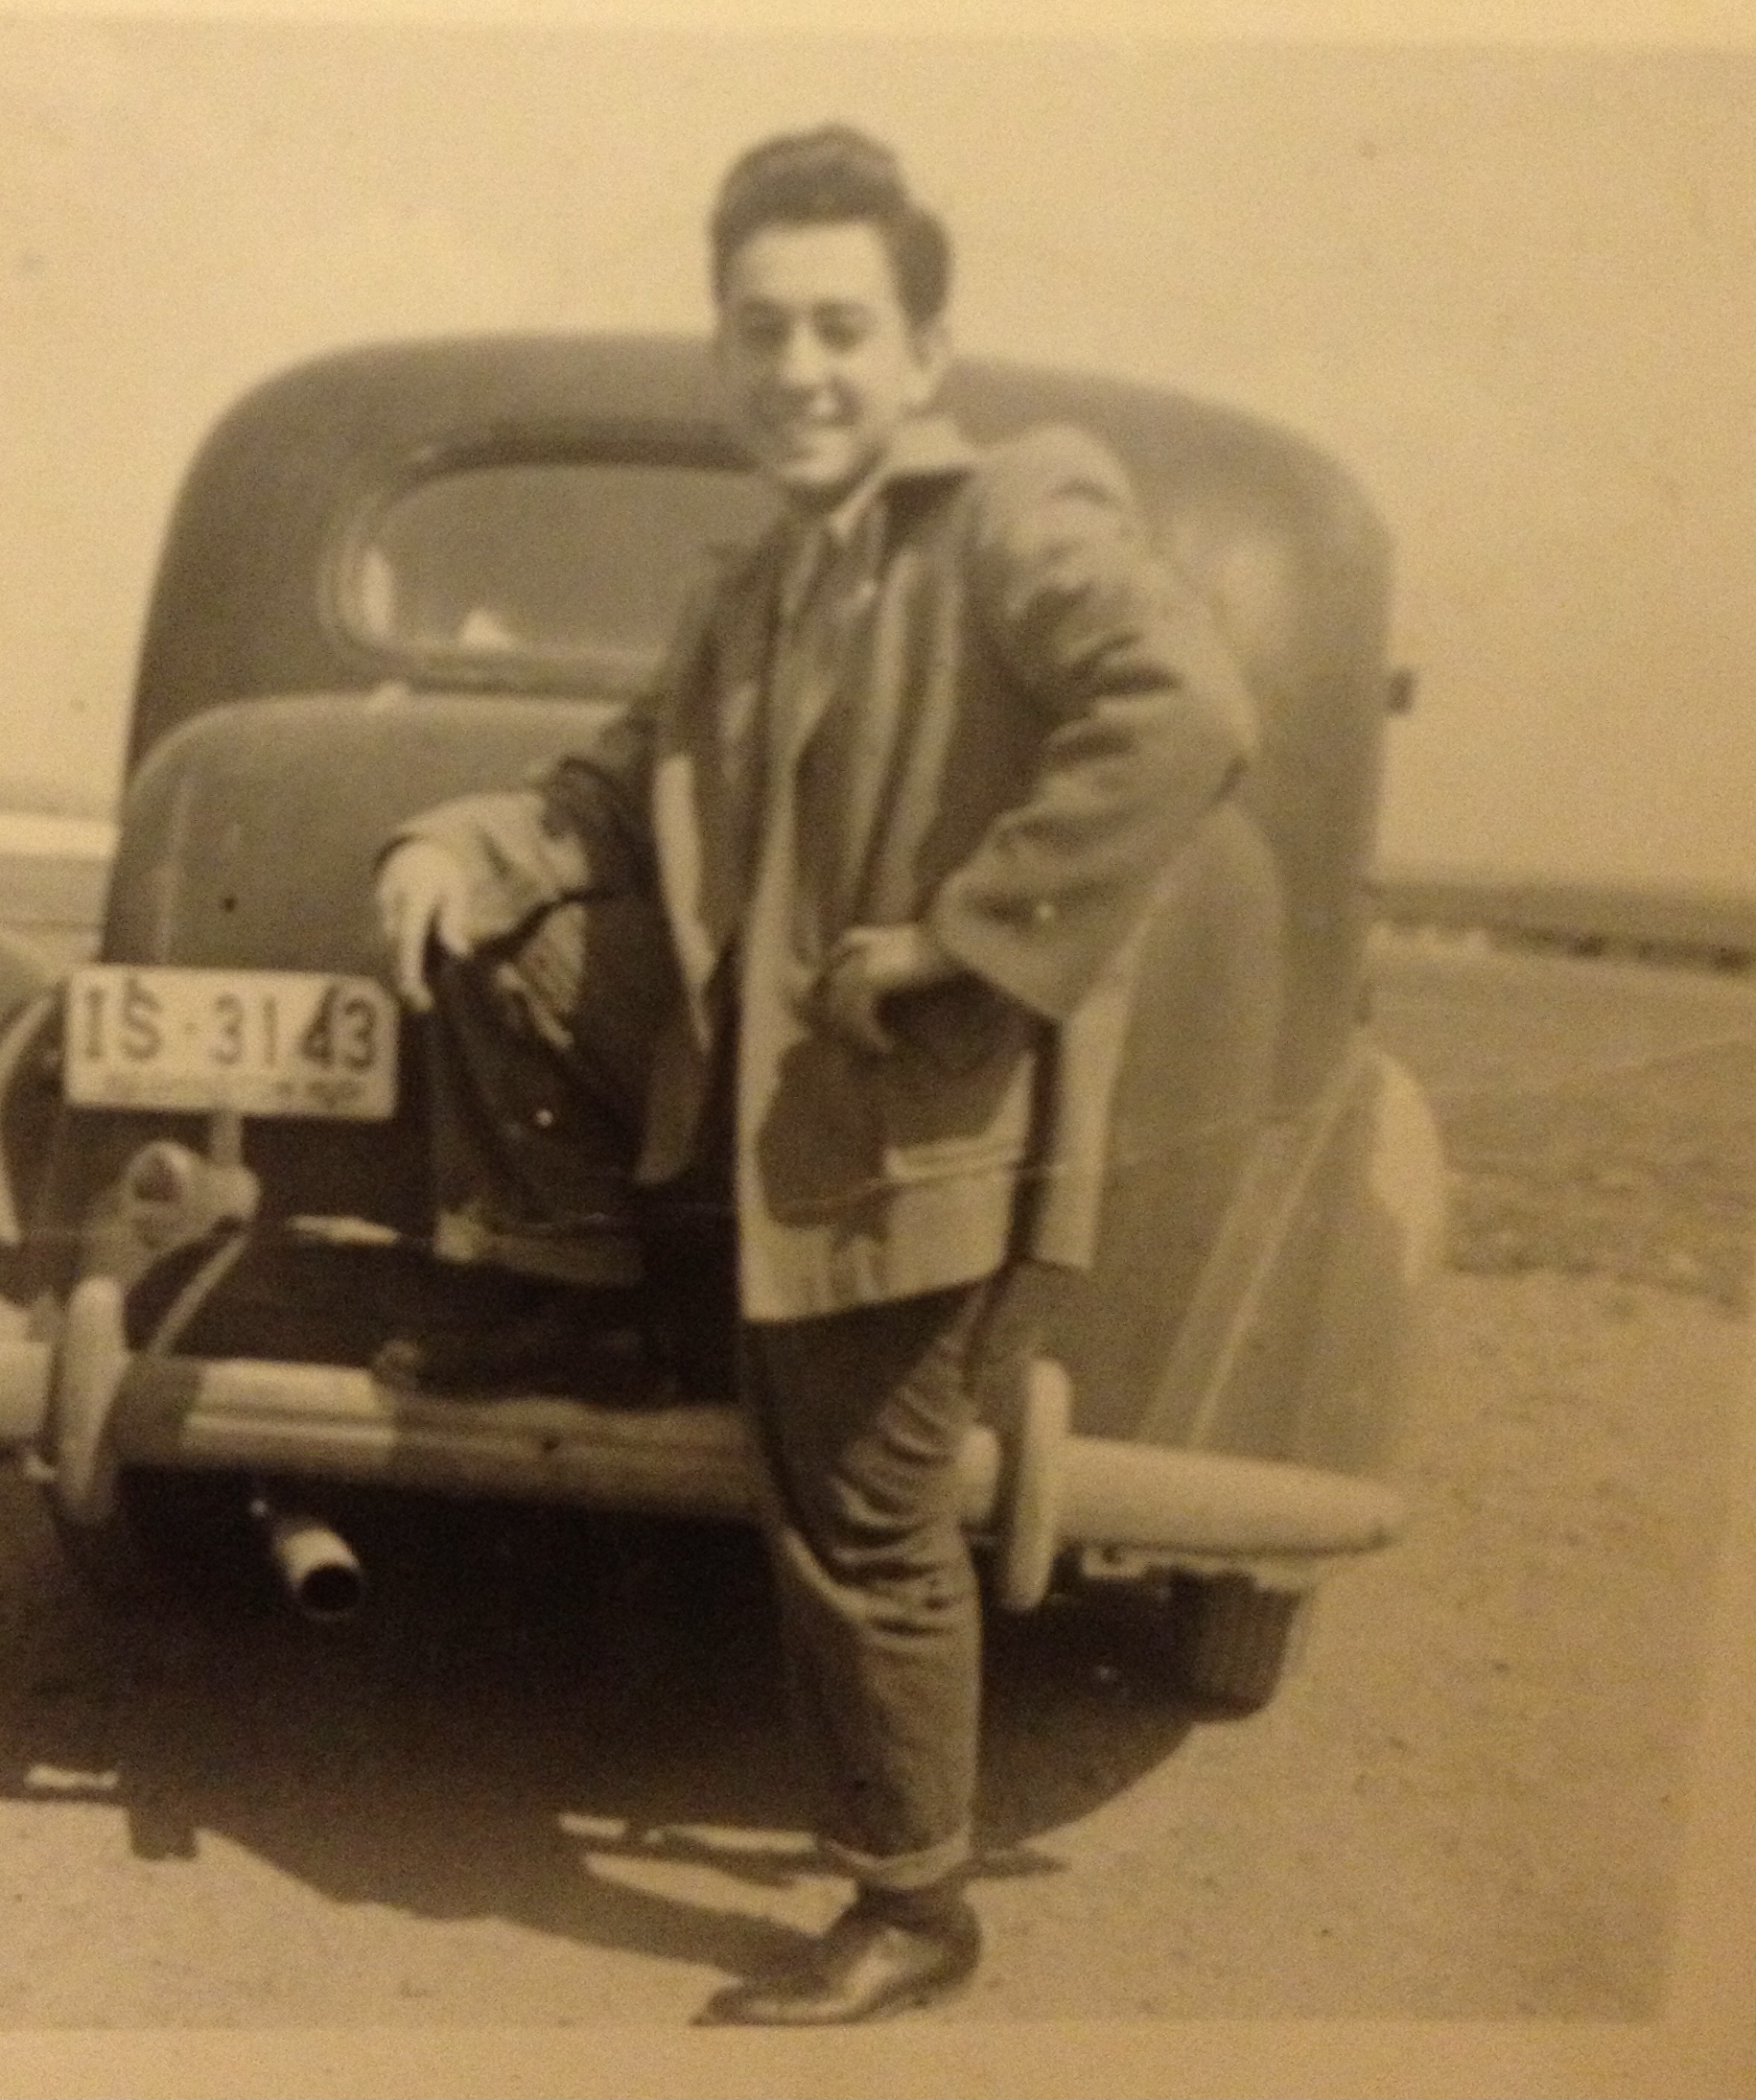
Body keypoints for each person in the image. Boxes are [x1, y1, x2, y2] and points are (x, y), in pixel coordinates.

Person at [375, 126, 1256, 2024]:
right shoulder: (757, 581)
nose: (797, 368)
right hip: (758, 1108)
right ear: (723, 350)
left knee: (859, 1518)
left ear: (923, 352)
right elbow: (610, 787)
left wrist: (960, 932)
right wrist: (458, 849)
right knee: (504, 938)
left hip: (905, 1116)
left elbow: (1183, 706)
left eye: (840, 327)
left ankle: (911, 1901)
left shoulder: (1016, 511)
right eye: (759, 329)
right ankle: (576, 1301)